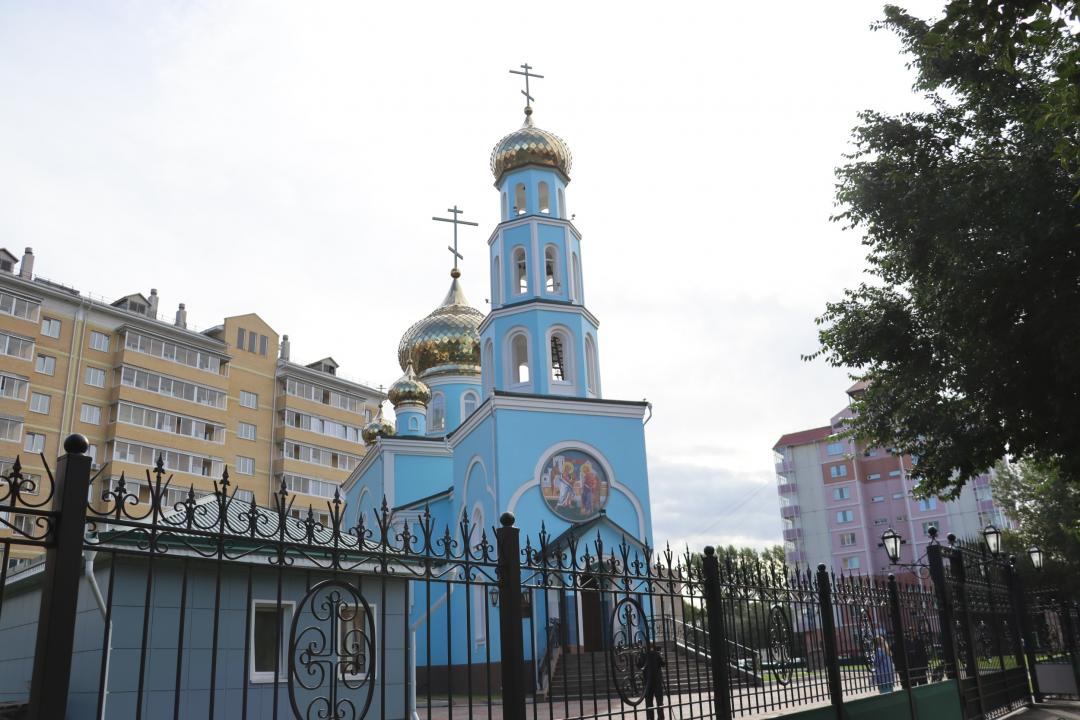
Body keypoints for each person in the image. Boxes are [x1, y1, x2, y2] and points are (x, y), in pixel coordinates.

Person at [637, 641, 666, 720]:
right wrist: (660, 655)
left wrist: (640, 656)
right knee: (659, 701)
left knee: (649, 702)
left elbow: (639, 666)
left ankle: (650, 718)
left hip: (647, 681)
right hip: (657, 680)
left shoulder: (643, 655)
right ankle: (661, 717)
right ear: (653, 647)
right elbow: (663, 664)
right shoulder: (656, 654)